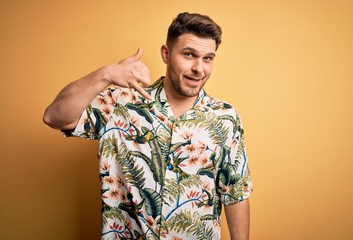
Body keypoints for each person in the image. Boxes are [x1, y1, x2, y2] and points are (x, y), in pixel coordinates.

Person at [44, 12, 253, 240]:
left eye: (207, 58)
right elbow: (54, 117)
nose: (198, 69)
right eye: (189, 54)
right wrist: (105, 75)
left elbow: (236, 193)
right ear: (166, 54)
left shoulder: (225, 118)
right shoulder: (120, 104)